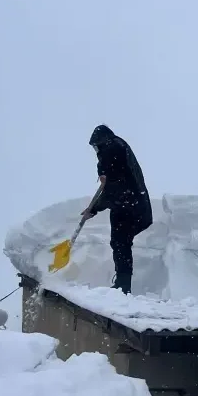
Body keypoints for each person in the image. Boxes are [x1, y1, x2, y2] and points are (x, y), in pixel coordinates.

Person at [81, 124, 153, 294]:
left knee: (121, 242)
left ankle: (122, 285)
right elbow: (113, 186)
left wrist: (94, 209)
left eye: (95, 146)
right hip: (135, 205)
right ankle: (122, 283)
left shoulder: (111, 151)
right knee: (121, 242)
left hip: (127, 206)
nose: (95, 150)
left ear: (101, 142)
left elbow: (113, 189)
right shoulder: (119, 146)